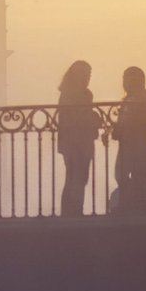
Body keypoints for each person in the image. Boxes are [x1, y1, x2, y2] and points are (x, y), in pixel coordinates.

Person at [57, 60, 100, 218]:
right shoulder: (70, 93)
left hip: (80, 142)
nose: (88, 77)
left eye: (89, 74)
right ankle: (72, 213)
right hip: (74, 142)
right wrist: (94, 118)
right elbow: (74, 117)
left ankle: (72, 212)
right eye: (86, 74)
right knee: (76, 178)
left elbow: (81, 115)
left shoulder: (81, 93)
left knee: (79, 178)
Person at [112, 66, 146, 212]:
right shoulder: (130, 98)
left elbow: (145, 119)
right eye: (125, 77)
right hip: (128, 141)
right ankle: (131, 203)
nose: (125, 81)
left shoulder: (143, 96)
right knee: (125, 173)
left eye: (128, 77)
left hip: (136, 141)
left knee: (130, 173)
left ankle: (131, 204)